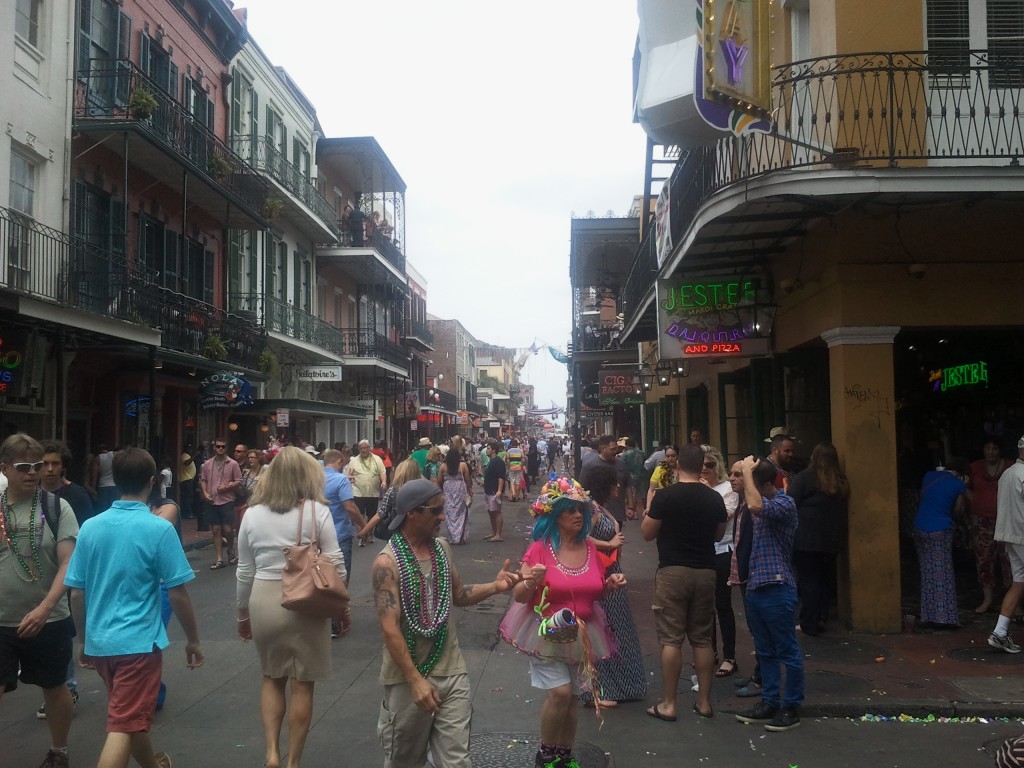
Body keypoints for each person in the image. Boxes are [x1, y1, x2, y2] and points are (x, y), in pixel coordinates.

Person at [65, 446, 202, 768]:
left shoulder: (91, 527)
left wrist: (84, 640)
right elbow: (178, 591)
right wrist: (193, 640)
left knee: (127, 713)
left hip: (101, 643)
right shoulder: (159, 529)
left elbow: (76, 593)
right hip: (138, 643)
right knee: (123, 724)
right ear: (152, 481)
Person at [372, 479, 519, 768]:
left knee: (456, 762)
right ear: (412, 513)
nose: (443, 516)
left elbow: (459, 595)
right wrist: (415, 681)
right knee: (404, 760)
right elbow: (390, 628)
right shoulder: (386, 564)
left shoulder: (441, 549)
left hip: (451, 671)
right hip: (407, 679)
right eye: (435, 511)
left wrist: (496, 586)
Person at [500, 478, 625, 768]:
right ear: (555, 516)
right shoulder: (540, 549)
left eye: (580, 510)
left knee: (571, 698)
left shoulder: (592, 550)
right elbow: (519, 596)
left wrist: (610, 584)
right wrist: (533, 582)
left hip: (582, 632)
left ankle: (563, 753)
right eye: (569, 511)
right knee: (560, 692)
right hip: (546, 630)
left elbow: (594, 590)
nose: (578, 516)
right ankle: (545, 753)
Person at [237, 446, 348, 768]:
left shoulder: (252, 514)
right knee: (303, 684)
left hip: (264, 598)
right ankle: (292, 761)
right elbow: (336, 562)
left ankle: (271, 752)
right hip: (307, 599)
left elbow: (244, 570)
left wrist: (242, 613)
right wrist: (341, 606)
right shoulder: (317, 511)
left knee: (272, 677)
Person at [0, 433, 79, 768]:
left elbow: (68, 562)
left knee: (55, 686)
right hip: (1, 619)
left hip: (49, 618)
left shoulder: (56, 507)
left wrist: (45, 608)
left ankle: (58, 751)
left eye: (36, 466)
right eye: (23, 467)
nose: (33, 473)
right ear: (5, 469)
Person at [640, 444, 726, 722]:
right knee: (702, 638)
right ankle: (703, 703)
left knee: (671, 638)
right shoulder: (714, 498)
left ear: (677, 466)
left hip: (673, 571)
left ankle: (669, 703)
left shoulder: (666, 496)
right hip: (705, 571)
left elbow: (647, 533)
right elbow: (718, 534)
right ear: (702, 464)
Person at [734, 456, 804, 732]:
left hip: (777, 586)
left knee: (787, 651)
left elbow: (755, 504)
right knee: (765, 652)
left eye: (744, 478)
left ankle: (792, 706)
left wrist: (749, 473)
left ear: (761, 483)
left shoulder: (784, 503)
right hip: (756, 587)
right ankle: (770, 702)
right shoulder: (756, 504)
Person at [35, 441, 94, 719]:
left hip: (71, 573)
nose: (49, 469)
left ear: (63, 465)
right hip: (36, 574)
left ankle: (65, 686)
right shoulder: (29, 496)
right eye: (44, 463)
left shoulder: (75, 496)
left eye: (54, 463)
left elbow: (87, 535)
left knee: (61, 629)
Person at [580, 463, 646, 707]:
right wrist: (608, 544)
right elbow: (581, 537)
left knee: (614, 629)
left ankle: (614, 686)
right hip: (601, 577)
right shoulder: (592, 509)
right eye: (614, 482)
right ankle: (597, 690)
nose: (618, 486)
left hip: (611, 574)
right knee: (602, 630)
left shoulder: (600, 508)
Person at [789, 442, 850, 636]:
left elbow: (790, 502)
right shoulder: (840, 481)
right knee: (824, 581)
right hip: (831, 540)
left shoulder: (805, 478)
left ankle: (809, 622)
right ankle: (822, 617)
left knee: (808, 582)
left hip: (806, 539)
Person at [912, 458, 970, 629]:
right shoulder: (957, 484)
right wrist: (963, 486)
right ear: (961, 474)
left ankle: (928, 615)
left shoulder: (928, 476)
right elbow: (959, 510)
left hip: (919, 528)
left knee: (927, 571)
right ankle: (945, 618)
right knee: (943, 573)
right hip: (940, 530)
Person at [699, 446, 741, 678]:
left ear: (718, 466)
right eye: (701, 465)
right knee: (705, 607)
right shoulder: (696, 487)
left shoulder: (728, 489)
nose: (705, 469)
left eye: (710, 465)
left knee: (722, 605)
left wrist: (706, 495)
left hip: (723, 551)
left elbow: (723, 516)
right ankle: (710, 652)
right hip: (701, 551)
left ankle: (730, 656)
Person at [988, 435, 1024, 653]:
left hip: (1010, 535)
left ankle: (1000, 632)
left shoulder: (1008, 473)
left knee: (1019, 581)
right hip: (1022, 534)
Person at [969, 439, 1013, 614]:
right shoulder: (975, 468)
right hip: (981, 521)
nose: (991, 452)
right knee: (984, 560)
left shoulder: (1010, 467)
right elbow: (961, 485)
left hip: (1006, 521)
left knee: (1009, 560)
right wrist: (973, 501)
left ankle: (1013, 603)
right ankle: (987, 600)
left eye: (995, 448)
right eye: (987, 448)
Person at [323, 449, 362, 597]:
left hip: (318, 536)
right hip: (339, 535)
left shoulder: (314, 478)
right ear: (339, 461)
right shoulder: (341, 480)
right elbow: (350, 507)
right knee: (341, 579)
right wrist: (363, 527)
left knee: (321, 577)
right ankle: (338, 615)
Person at [201, 437, 243, 569]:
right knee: (216, 529)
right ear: (214, 448)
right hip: (212, 500)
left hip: (227, 500)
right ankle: (219, 558)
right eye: (218, 446)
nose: (220, 449)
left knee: (228, 529)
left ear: (226, 448)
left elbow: (239, 480)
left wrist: (228, 487)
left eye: (223, 446)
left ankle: (230, 549)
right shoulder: (207, 464)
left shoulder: (233, 464)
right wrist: (205, 493)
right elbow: (203, 480)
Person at [579, 435, 631, 524]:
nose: (616, 452)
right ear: (603, 449)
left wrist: (631, 506)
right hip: (597, 515)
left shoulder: (622, 464)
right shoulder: (590, 466)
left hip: (617, 513)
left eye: (616, 449)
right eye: (612, 449)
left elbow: (627, 485)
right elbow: (582, 488)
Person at [350, 440, 388, 546]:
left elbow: (382, 472)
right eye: (361, 448)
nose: (363, 450)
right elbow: (349, 474)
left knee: (371, 514)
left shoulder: (377, 459)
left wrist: (384, 482)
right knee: (360, 514)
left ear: (369, 448)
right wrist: (350, 479)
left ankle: (369, 534)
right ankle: (362, 536)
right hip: (358, 492)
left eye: (365, 448)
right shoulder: (354, 461)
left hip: (373, 492)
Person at [440, 436, 473, 545]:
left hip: (448, 489)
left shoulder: (443, 467)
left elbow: (439, 480)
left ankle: (452, 537)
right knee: (461, 512)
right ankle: (460, 537)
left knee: (449, 513)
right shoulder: (463, 466)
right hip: (460, 489)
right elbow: (468, 479)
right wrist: (469, 490)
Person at [644, 444, 680, 515]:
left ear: (678, 456)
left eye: (673, 456)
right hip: (663, 506)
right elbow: (651, 490)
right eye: (668, 456)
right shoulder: (659, 470)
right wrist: (648, 507)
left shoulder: (683, 470)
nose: (670, 459)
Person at [482, 440, 507, 542]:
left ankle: (498, 534)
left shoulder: (498, 462)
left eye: (488, 448)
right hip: (488, 490)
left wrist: (499, 490)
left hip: (494, 491)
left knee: (496, 512)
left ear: (493, 450)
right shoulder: (491, 461)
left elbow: (501, 477)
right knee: (491, 511)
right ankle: (493, 532)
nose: (486, 450)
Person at [620, 438, 647, 520]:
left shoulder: (625, 454)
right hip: (642, 475)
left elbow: (622, 465)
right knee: (643, 494)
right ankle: (645, 511)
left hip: (631, 476)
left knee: (633, 494)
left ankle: (634, 513)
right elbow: (646, 463)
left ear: (627, 445)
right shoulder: (642, 453)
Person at [93, 443, 119, 515]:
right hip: (115, 486)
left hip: (102, 486)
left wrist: (94, 489)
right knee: (114, 510)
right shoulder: (116, 456)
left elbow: (94, 476)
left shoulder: (98, 458)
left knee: (102, 511)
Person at [178, 446, 196, 520]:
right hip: (186, 480)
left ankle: (187, 513)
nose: (191, 450)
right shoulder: (184, 455)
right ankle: (187, 514)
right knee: (187, 498)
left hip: (188, 479)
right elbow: (186, 463)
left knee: (187, 497)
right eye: (189, 448)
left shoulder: (187, 455)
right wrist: (195, 456)